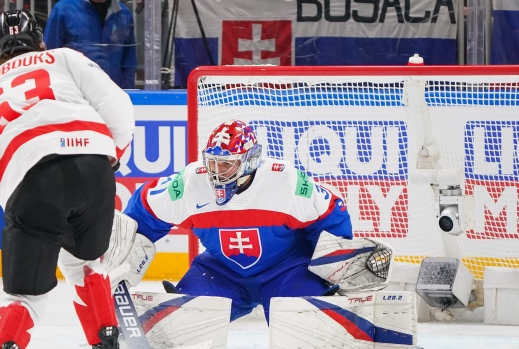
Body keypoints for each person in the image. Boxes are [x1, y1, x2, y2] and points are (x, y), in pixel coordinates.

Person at [121, 120, 395, 323]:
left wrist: (336, 263)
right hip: (221, 272)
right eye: (213, 163)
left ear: (251, 160)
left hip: (288, 271)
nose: (217, 172)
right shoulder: (191, 182)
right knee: (182, 320)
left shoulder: (285, 181)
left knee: (304, 323)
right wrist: (122, 260)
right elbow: (144, 206)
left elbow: (331, 213)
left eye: (227, 164)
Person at [0, 10, 135, 349]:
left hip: (31, 180)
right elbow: (118, 105)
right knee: (87, 265)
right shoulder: (63, 57)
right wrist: (111, 159)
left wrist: (24, 214)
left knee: (24, 297)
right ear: (40, 41)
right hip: (93, 168)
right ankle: (106, 341)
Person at [43, 0, 137, 89]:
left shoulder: (123, 14)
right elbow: (50, 57)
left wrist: (128, 94)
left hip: (113, 95)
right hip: (76, 95)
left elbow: (128, 62)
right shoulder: (63, 9)